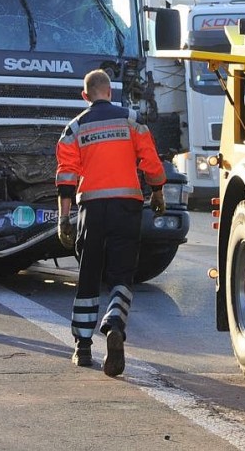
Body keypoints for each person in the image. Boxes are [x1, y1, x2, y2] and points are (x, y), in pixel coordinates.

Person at [55, 69, 166, 377]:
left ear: (85, 95)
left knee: (89, 275)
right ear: (110, 92)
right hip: (127, 205)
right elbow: (151, 161)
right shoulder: (131, 120)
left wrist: (64, 217)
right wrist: (158, 190)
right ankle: (114, 322)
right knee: (122, 273)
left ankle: (83, 348)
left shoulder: (75, 128)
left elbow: (66, 175)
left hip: (91, 208)